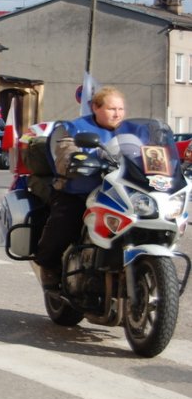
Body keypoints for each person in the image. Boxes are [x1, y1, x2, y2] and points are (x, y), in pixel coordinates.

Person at [34, 86, 126, 288]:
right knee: (66, 220)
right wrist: (75, 160)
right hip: (79, 190)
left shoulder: (131, 131)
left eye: (121, 109)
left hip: (119, 193)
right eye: (112, 109)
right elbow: (64, 153)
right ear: (95, 107)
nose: (117, 114)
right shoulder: (73, 128)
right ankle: (49, 264)